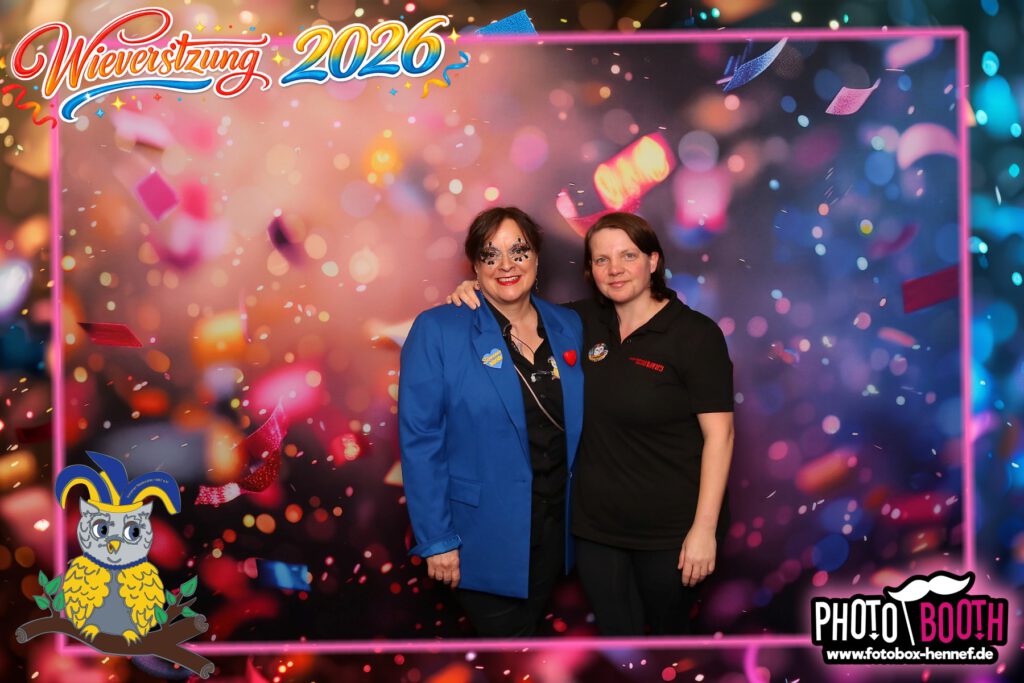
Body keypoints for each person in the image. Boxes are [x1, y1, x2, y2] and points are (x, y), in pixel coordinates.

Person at [447, 211, 734, 635]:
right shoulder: (578, 323)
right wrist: (476, 288)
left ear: (653, 261)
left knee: (667, 648)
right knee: (620, 649)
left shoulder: (695, 335)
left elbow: (720, 437)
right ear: (590, 270)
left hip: (671, 534)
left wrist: (704, 530)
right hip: (595, 534)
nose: (615, 269)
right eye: (601, 259)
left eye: (627, 256)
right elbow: (516, 306)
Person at [399, 206, 584, 637]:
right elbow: (420, 441)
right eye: (490, 254)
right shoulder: (438, 329)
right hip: (480, 538)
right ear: (475, 266)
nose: (506, 265)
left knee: (533, 650)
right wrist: (437, 539)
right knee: (509, 654)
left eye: (519, 251)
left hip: (557, 533)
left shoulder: (570, 324)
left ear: (537, 257)